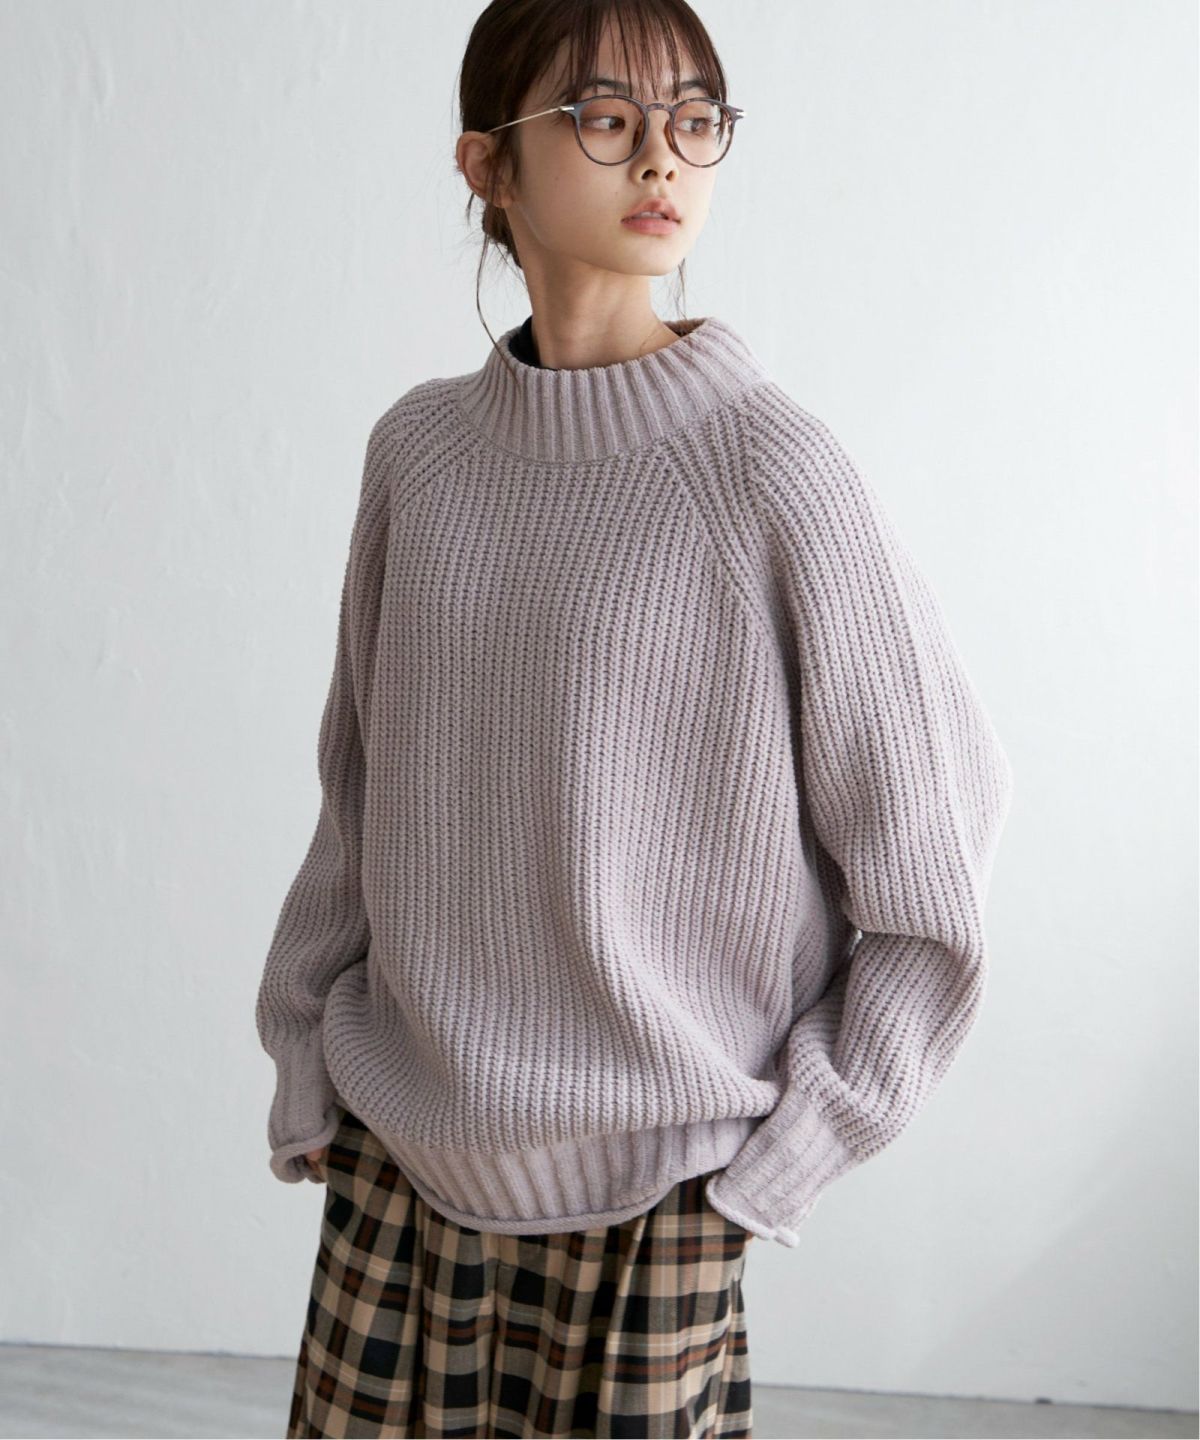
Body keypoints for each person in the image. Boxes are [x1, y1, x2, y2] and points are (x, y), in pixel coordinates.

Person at [255, 1, 1015, 1436]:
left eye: (695, 119)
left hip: (665, 1195)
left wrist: (787, 1157)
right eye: (605, 118)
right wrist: (306, 1056)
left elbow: (932, 864)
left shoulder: (773, 471)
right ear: (487, 164)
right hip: (399, 1160)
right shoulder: (418, 454)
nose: (662, 157)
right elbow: (360, 797)